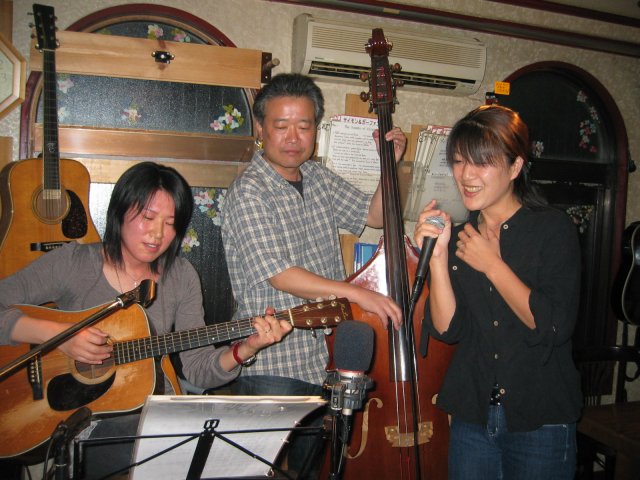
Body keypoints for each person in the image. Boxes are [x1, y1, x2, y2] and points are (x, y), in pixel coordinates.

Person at [0, 161, 292, 479]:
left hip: (155, 417)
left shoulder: (181, 276)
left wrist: (246, 348)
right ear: (119, 211)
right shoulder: (74, 263)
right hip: (80, 423)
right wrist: (59, 336)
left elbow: (197, 368)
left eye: (170, 223)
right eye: (148, 218)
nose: (158, 234)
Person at [221, 73, 405, 476]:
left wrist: (388, 164)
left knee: (308, 472)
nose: (293, 137)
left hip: (324, 358)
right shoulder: (249, 190)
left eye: (304, 126)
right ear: (259, 128)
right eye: (281, 125)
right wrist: (358, 293)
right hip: (274, 361)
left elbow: (373, 216)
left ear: (316, 130)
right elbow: (280, 274)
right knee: (258, 472)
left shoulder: (318, 177)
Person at [414, 105, 582, 479]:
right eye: (459, 161)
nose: (466, 175)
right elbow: (447, 329)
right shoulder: (462, 235)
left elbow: (553, 326)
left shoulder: (553, 229)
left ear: (515, 166)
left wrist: (492, 264)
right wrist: (438, 257)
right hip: (473, 416)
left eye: (482, 162)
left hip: (540, 418)